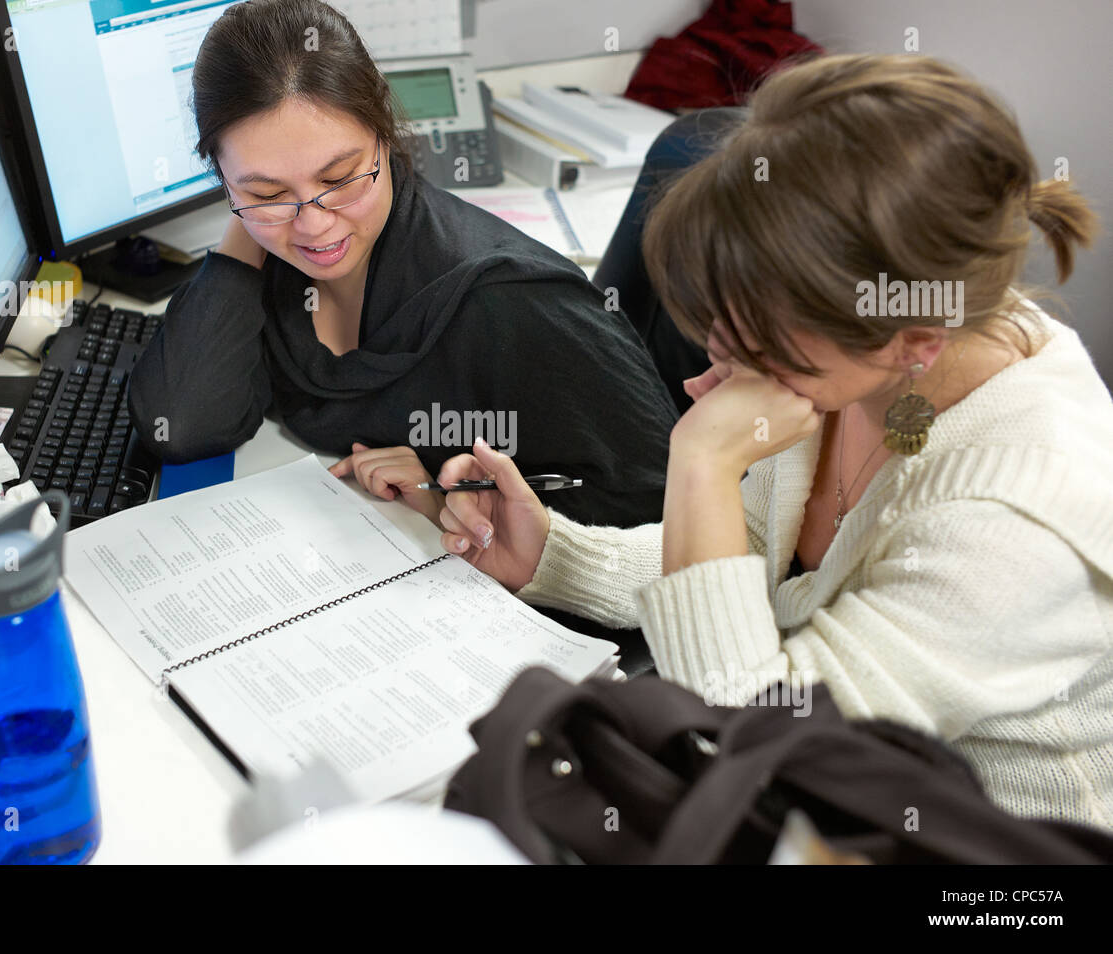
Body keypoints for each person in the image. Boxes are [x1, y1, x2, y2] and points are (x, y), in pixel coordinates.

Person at [424, 54, 1113, 829]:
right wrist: (554, 555)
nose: (718, 358)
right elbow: (745, 562)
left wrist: (703, 461)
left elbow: (754, 746)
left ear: (914, 339)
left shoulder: (1018, 522)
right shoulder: (863, 356)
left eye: (754, 341)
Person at [126, 0, 678, 529]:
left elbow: (671, 510)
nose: (315, 225)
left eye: (339, 179)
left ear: (384, 137)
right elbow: (182, 425)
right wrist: (250, 223)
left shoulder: (513, 301)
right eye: (267, 190)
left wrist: (453, 500)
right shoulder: (274, 262)